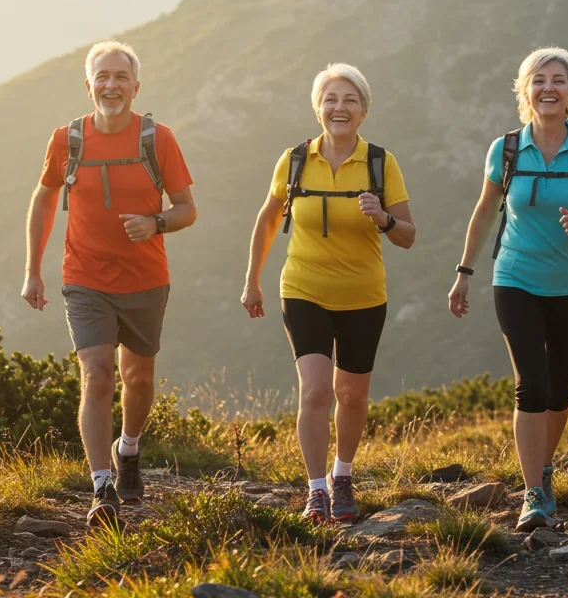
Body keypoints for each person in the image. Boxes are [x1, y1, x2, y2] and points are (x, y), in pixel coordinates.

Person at [21, 40, 198, 526]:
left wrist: (156, 223)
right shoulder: (68, 140)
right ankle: (102, 489)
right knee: (96, 375)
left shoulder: (157, 139)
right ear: (88, 85)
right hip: (84, 278)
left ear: (136, 86)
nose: (111, 85)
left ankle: (130, 448)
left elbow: (187, 208)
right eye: (103, 76)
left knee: (137, 377)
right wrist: (34, 270)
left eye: (121, 77)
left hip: (145, 278)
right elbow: (42, 200)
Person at [447, 47, 568, 531]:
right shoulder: (504, 149)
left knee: (560, 388)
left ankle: (542, 464)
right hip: (516, 278)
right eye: (539, 80)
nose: (548, 88)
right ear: (525, 90)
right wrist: (464, 271)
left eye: (558, 80)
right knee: (532, 383)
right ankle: (534, 493)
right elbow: (484, 212)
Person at [241, 63, 415, 524]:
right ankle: (316, 490)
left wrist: (383, 217)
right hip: (303, 289)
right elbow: (268, 219)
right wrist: (252, 280)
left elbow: (408, 236)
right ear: (318, 108)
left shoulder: (381, 162)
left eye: (349, 100)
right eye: (331, 100)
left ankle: (343, 476)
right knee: (316, 391)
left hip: (363, 295)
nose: (339, 108)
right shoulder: (295, 159)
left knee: (352, 396)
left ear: (364, 112)